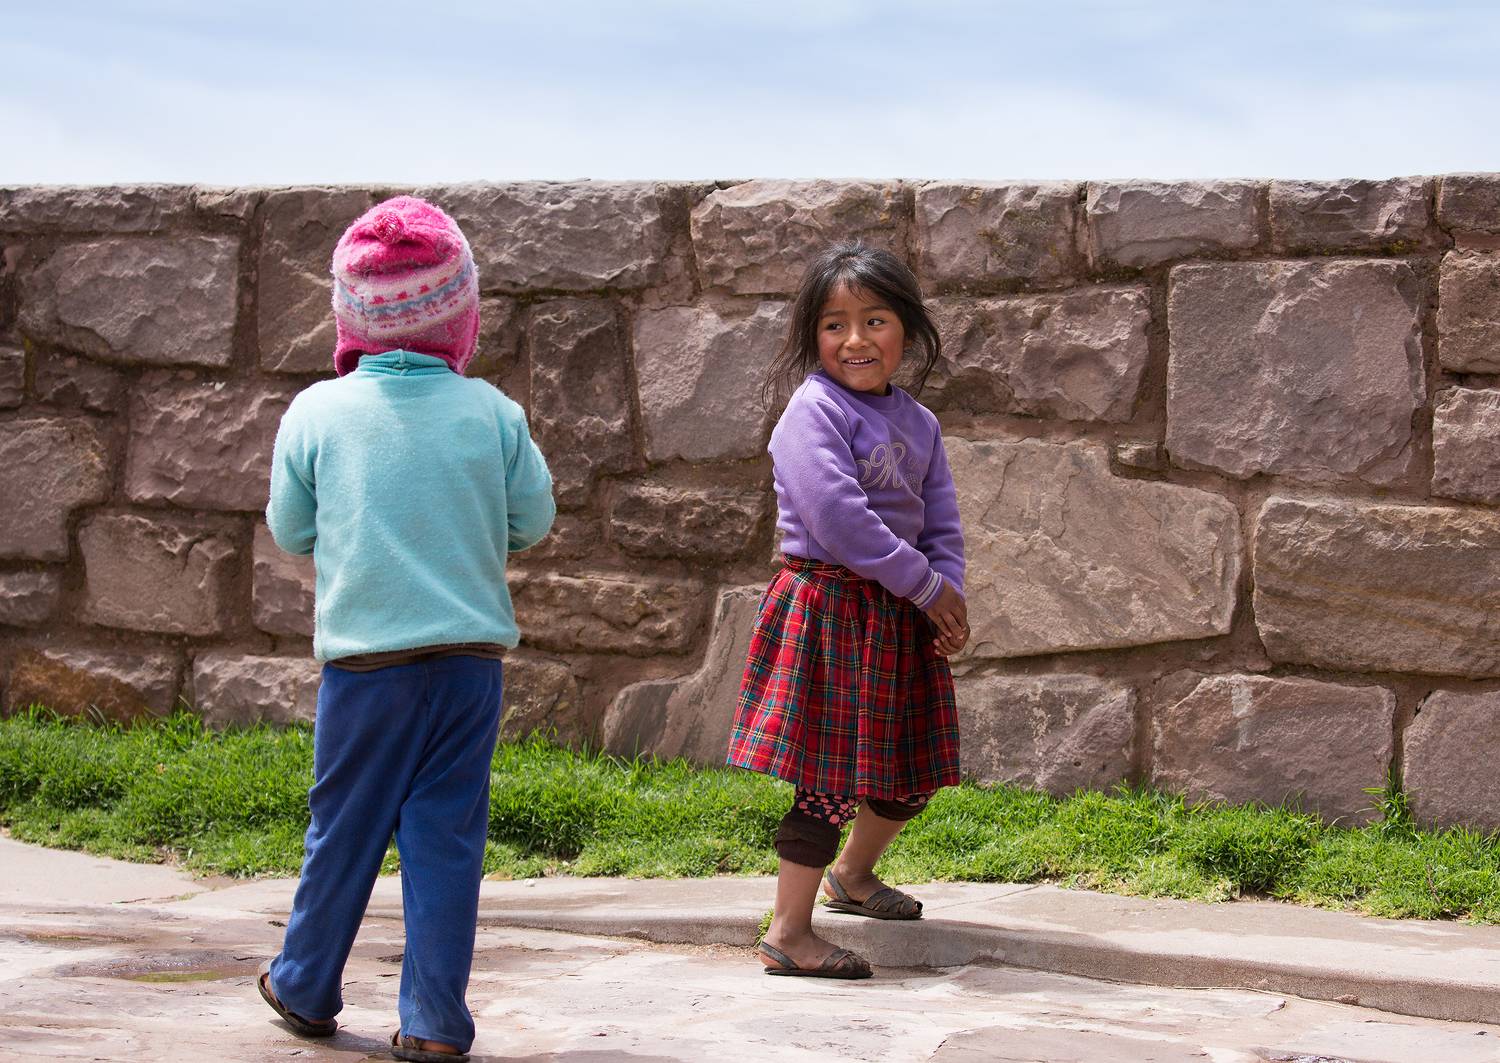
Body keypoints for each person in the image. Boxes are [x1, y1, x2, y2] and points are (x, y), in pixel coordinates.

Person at [257, 195, 555, 1061]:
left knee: (343, 828)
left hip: (365, 670)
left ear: (348, 317)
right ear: (461, 316)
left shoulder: (317, 412)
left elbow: (291, 530)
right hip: (467, 667)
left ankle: (304, 982)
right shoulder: (492, 412)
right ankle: (434, 1020)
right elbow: (533, 520)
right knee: (445, 839)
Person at [727, 240, 968, 980]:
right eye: (834, 324)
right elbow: (839, 520)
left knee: (910, 772)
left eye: (875, 320)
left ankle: (853, 877)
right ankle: (788, 932)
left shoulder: (920, 424)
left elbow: (940, 524)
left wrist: (947, 595)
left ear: (908, 330)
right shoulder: (813, 411)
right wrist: (926, 587)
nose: (855, 339)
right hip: (829, 610)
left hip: (897, 615)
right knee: (828, 784)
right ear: (814, 336)